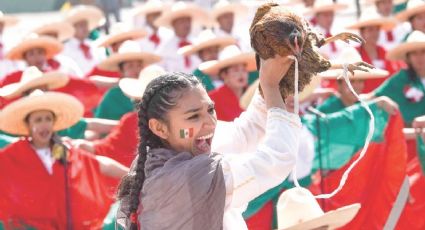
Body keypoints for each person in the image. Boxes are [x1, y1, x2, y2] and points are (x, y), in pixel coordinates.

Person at [116, 54, 301, 230]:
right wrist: (270, 86)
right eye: (194, 116)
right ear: (159, 128)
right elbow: (277, 160)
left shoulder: (186, 141)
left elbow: (245, 133)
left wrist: (272, 76)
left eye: (210, 109)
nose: (210, 122)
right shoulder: (183, 176)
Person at [0, 90, 128, 229]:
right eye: (38, 120)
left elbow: (97, 164)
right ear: (28, 125)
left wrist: (133, 174)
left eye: (48, 119)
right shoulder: (14, 154)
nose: (44, 124)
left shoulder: (63, 149)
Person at [94, 40, 161, 120]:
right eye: (130, 66)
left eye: (139, 65)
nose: (136, 70)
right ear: (121, 72)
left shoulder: (153, 91)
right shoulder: (113, 96)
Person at [373, 31, 425, 126]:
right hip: (409, 135)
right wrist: (381, 101)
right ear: (408, 58)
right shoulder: (401, 78)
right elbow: (373, 97)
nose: (419, 57)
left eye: (423, 52)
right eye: (414, 53)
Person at [346, 9, 400, 92]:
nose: (375, 33)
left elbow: (395, 76)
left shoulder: (385, 52)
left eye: (377, 29)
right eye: (370, 29)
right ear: (362, 33)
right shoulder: (353, 53)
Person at [200, 45, 256, 121]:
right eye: (236, 70)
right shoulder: (212, 99)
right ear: (224, 75)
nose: (241, 74)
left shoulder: (255, 94)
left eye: (243, 70)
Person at [154, 1, 210, 73]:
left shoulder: (199, 44)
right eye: (182, 21)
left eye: (188, 21)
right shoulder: (164, 48)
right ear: (173, 24)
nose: (186, 24)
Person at [62, 5, 107, 75]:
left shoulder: (95, 46)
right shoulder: (65, 49)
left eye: (86, 25)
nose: (85, 28)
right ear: (72, 28)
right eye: (81, 25)